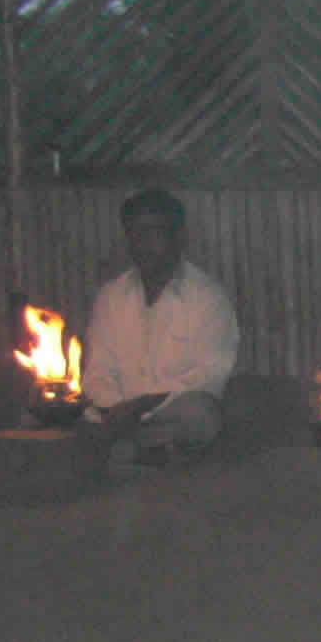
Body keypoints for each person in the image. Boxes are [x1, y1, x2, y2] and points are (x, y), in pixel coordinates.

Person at [82, 188, 240, 461]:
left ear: (177, 237)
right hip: (114, 415)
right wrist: (114, 408)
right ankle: (146, 451)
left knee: (203, 415)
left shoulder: (207, 298)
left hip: (170, 413)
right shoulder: (111, 296)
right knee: (61, 413)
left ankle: (129, 450)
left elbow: (208, 376)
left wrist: (142, 407)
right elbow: (98, 369)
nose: (142, 242)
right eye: (134, 233)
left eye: (153, 232)